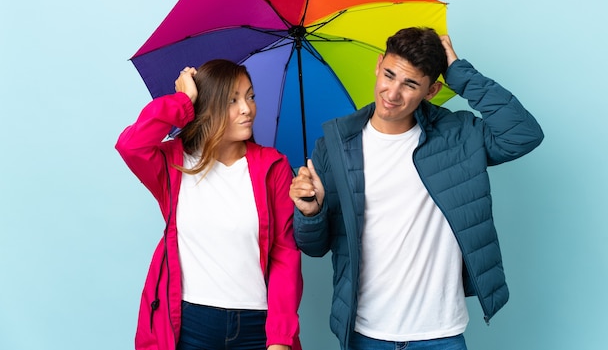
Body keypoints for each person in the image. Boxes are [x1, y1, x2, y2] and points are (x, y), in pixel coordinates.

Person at [289, 27, 543, 350]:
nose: (392, 93)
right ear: (378, 64)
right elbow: (314, 246)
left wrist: (460, 73)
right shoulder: (335, 146)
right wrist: (310, 213)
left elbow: (523, 133)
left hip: (440, 335)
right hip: (366, 334)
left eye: (410, 84)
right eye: (390, 75)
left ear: (432, 90)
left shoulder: (459, 135)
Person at [116, 59, 303, 350]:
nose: (247, 109)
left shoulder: (273, 166)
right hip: (189, 324)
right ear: (208, 107)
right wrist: (182, 101)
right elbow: (131, 145)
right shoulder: (173, 163)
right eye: (232, 100)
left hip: (257, 327)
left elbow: (284, 254)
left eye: (250, 96)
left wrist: (281, 338)